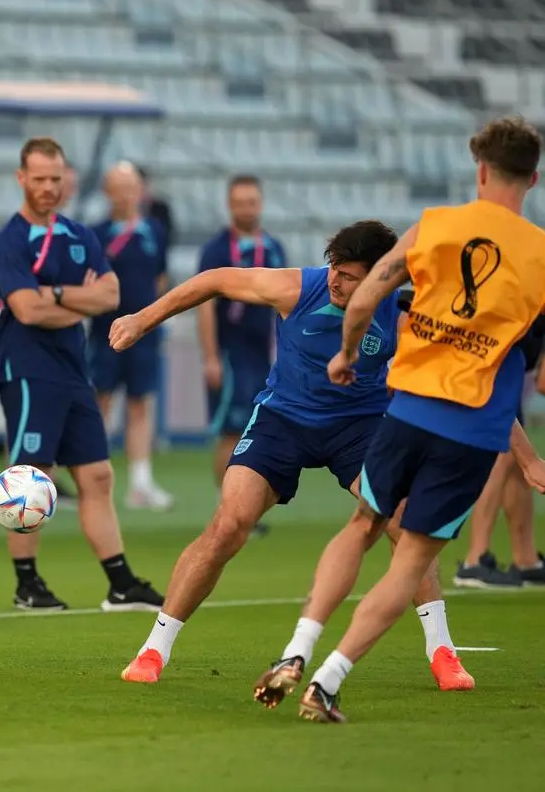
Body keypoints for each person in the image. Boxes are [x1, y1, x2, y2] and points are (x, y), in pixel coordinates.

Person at [112, 220, 471, 692]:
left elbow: (454, 370)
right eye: (335, 269)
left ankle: (442, 650)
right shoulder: (298, 288)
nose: (337, 282)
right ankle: (154, 649)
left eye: (351, 277)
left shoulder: (403, 311)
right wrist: (142, 320)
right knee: (229, 524)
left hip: (359, 426)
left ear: (381, 276)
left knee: (405, 523)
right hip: (283, 419)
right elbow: (215, 279)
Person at [299, 116, 545, 723]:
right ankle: (328, 679)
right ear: (533, 179)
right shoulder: (540, 257)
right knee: (410, 561)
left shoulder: (434, 227)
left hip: (407, 411)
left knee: (362, 523)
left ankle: (298, 648)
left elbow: (365, 296)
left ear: (480, 170)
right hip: (473, 433)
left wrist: (347, 354)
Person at [0, 136, 164, 612]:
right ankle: (27, 584)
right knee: (29, 478)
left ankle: (121, 584)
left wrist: (54, 295)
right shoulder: (10, 239)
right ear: (21, 178)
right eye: (39, 178)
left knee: (98, 476)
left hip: (72, 368)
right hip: (27, 370)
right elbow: (26, 310)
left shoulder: (80, 234)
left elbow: (111, 296)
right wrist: (77, 300)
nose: (49, 187)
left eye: (56, 178)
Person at [198, 175, 286, 537]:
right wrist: (211, 357)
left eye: (251, 202)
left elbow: (286, 300)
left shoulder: (274, 248)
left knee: (257, 431)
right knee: (232, 433)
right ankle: (228, 513)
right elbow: (204, 305)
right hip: (231, 357)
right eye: (239, 203)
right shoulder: (216, 250)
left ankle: (243, 512)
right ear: (229, 205)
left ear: (260, 203)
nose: (246, 209)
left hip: (263, 357)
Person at [88, 160, 173, 510]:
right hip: (104, 333)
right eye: (119, 188)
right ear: (107, 193)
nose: (126, 195)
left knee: (141, 404)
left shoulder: (154, 230)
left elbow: (161, 278)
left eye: (132, 188)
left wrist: (149, 317)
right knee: (100, 403)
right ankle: (92, 476)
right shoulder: (95, 234)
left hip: (145, 334)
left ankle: (140, 483)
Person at [454, 313, 545, 588]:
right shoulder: (526, 298)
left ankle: (527, 560)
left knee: (517, 460)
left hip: (503, 363)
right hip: (493, 364)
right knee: (503, 452)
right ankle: (475, 560)